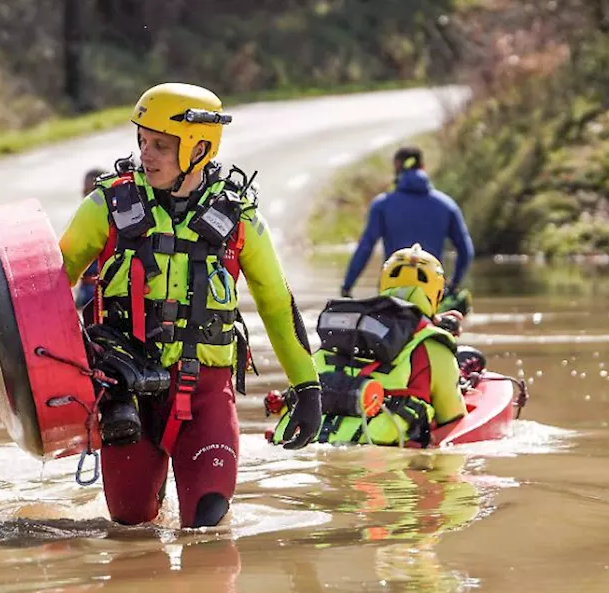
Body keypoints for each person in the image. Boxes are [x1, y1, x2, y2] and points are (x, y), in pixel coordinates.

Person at [59, 82, 322, 529]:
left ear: (200, 148)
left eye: (162, 144)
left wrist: (309, 388)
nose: (148, 154)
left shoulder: (239, 219)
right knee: (131, 527)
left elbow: (278, 306)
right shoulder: (104, 207)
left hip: (206, 397)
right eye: (143, 141)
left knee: (208, 525)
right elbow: (44, 295)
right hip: (128, 398)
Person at [272, 244, 466, 447]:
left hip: (299, 441)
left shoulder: (348, 326)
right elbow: (452, 416)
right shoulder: (433, 343)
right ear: (436, 294)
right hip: (376, 455)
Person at [340, 146, 475, 313]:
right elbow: (466, 251)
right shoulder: (446, 205)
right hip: (430, 290)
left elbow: (365, 248)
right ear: (423, 167)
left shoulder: (382, 205)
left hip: (391, 292)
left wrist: (347, 288)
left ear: (397, 166)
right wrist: (453, 285)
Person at [74, 167, 110, 309]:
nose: (87, 196)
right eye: (85, 191)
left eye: (92, 191)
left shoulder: (115, 226)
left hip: (103, 295)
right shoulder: (80, 222)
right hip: (85, 293)